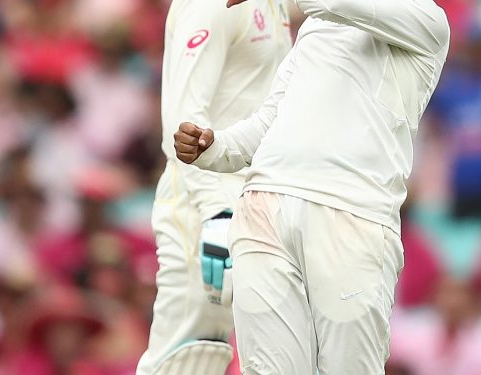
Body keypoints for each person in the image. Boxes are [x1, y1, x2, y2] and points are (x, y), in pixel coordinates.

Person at [174, 0, 450, 373]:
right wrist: (215, 147)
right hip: (264, 207)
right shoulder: (316, 27)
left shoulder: (426, 20)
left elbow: (338, 3)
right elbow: (270, 120)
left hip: (351, 215)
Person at [136, 0, 291, 374]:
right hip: (203, 203)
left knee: (218, 350)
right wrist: (216, 215)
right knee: (188, 351)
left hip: (252, 199)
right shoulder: (210, 4)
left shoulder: (278, 3)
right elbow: (183, 122)